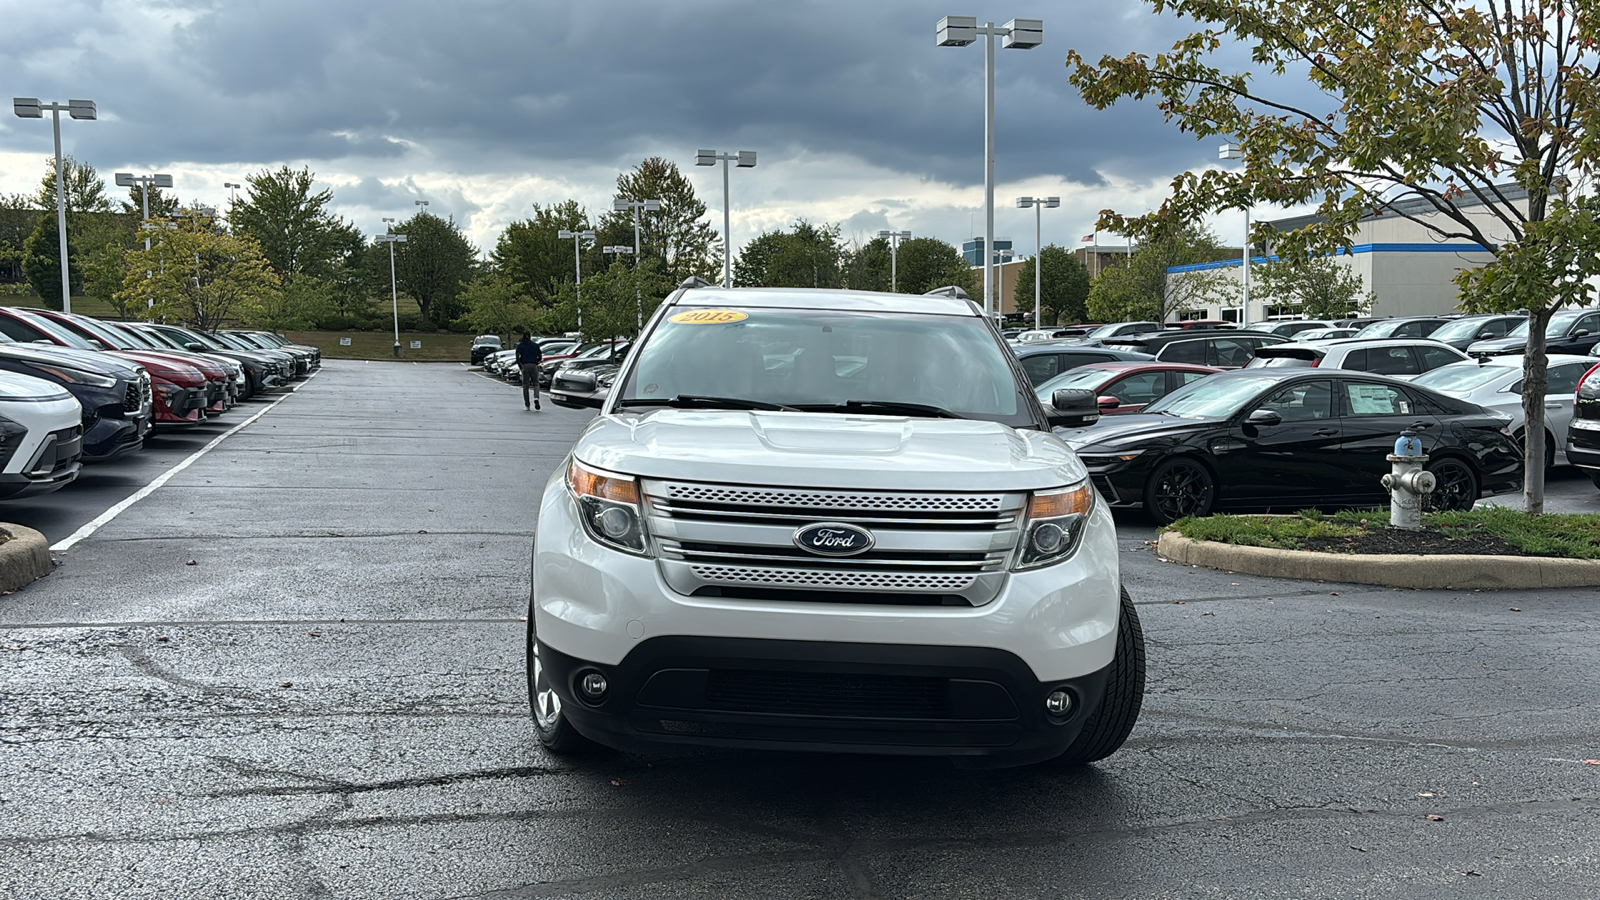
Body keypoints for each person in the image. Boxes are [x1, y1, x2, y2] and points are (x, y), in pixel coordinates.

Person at [515, 332, 543, 410]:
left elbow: (517, 357)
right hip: (534, 365)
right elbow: (540, 356)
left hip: (525, 365)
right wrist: (537, 361)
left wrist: (520, 366)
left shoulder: (520, 346)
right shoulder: (535, 345)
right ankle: (536, 398)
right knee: (536, 383)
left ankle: (527, 405)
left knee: (525, 386)